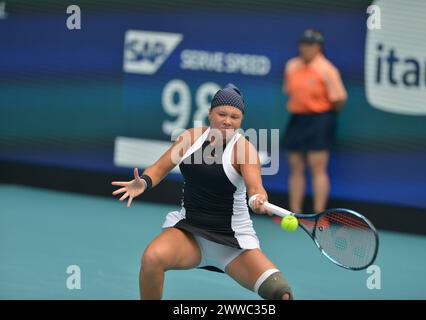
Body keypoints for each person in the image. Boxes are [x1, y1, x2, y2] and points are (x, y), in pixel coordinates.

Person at [112, 84, 293, 300]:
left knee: (281, 292)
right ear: (210, 114)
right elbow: (160, 168)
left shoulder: (244, 150)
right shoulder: (190, 138)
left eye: (234, 116)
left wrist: (257, 198)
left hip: (233, 244)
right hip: (190, 234)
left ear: (241, 120)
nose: (227, 120)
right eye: (222, 114)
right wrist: (143, 182)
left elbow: (255, 187)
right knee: (152, 259)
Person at [283, 28, 347, 214]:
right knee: (295, 168)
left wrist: (324, 115)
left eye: (311, 44)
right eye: (303, 43)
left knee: (317, 168)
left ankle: (319, 215)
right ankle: (294, 212)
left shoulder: (327, 69)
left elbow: (339, 99)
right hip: (297, 119)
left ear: (319, 46)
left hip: (320, 120)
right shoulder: (291, 66)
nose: (306, 48)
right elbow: (290, 92)